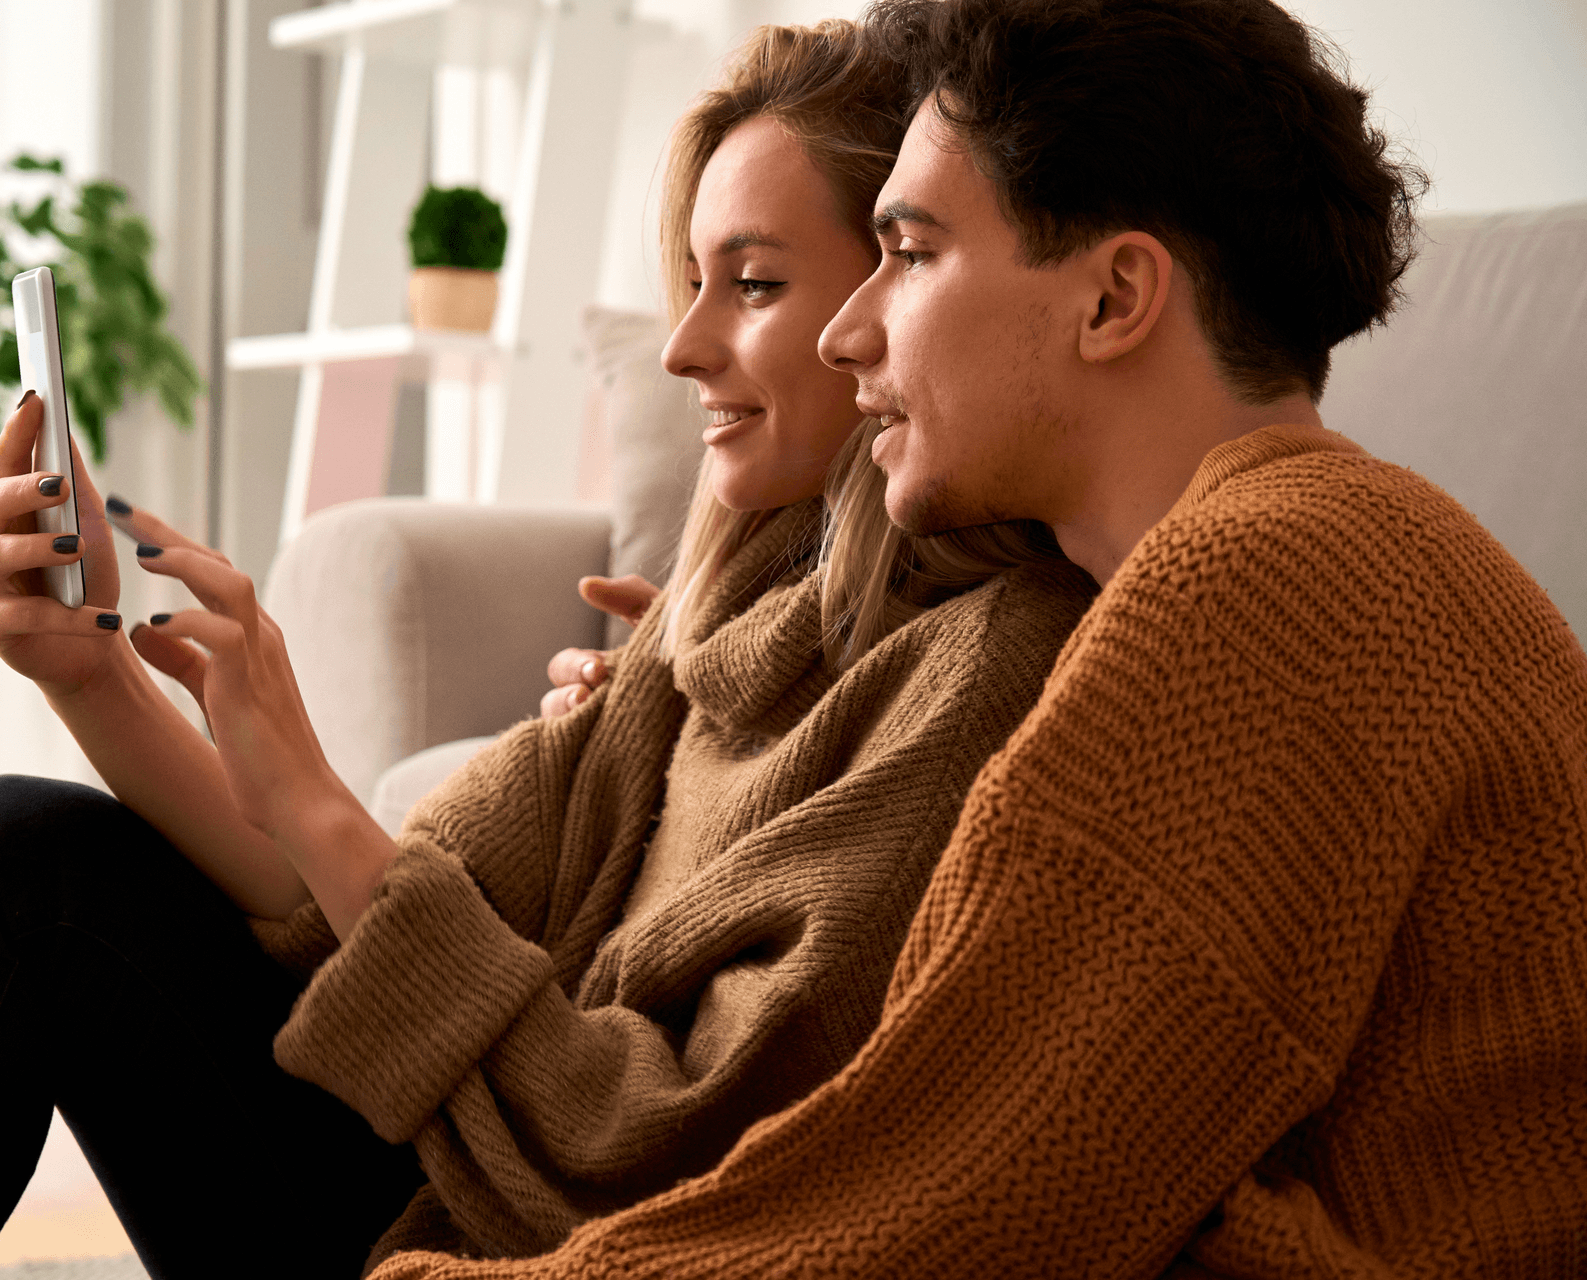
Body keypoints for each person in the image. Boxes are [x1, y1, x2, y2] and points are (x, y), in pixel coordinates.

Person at [0, 22, 1100, 1280]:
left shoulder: (977, 674)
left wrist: (317, 790)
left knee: (9, 868)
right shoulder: (711, 636)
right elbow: (333, 920)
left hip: (511, 1240)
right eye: (688, 281)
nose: (682, 348)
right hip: (436, 1171)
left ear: (893, 301)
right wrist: (95, 673)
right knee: (15, 856)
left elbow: (650, 1158)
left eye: (750, 283)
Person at [356, 0, 1587, 1277]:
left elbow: (936, 1217)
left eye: (912, 250)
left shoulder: (1261, 586)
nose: (851, 327)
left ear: (1114, 297)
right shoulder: (1332, 543)